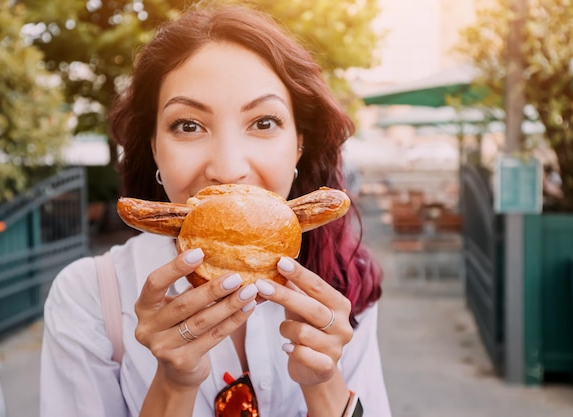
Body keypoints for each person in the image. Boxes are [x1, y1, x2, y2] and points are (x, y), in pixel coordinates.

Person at [40, 3, 390, 416]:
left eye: (263, 123)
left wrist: (324, 383)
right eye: (188, 125)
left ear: (299, 143)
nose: (227, 168)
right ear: (155, 147)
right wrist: (173, 384)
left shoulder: (343, 280)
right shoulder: (88, 299)